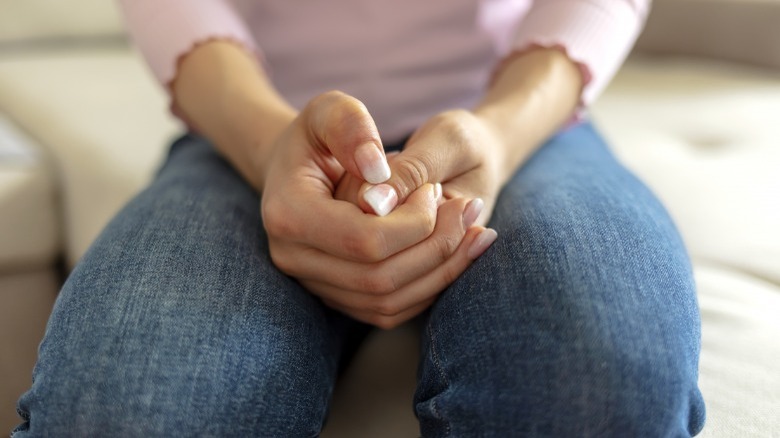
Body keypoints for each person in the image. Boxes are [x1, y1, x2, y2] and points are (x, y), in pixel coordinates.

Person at [13, 1, 706, 436]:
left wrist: (499, 133)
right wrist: (268, 143)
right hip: (252, 125)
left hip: (517, 119)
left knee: (602, 385)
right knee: (124, 413)